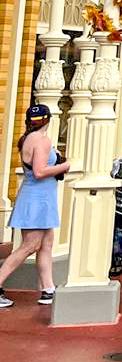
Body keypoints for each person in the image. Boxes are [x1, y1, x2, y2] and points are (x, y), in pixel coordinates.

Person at [0, 105, 69, 307]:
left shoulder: (28, 139)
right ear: (48, 120)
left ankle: (48, 290)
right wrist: (64, 166)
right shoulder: (42, 140)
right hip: (37, 199)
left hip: (41, 199)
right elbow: (39, 172)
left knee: (46, 244)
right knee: (29, 246)